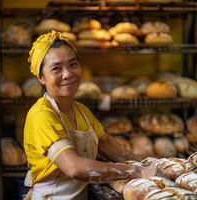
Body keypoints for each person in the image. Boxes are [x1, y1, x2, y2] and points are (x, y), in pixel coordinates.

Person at [23, 30, 156, 200]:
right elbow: (74, 168)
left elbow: (106, 144)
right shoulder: (42, 115)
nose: (68, 74)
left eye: (73, 64)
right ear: (41, 77)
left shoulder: (81, 110)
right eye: (57, 68)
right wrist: (135, 171)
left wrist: (147, 164)